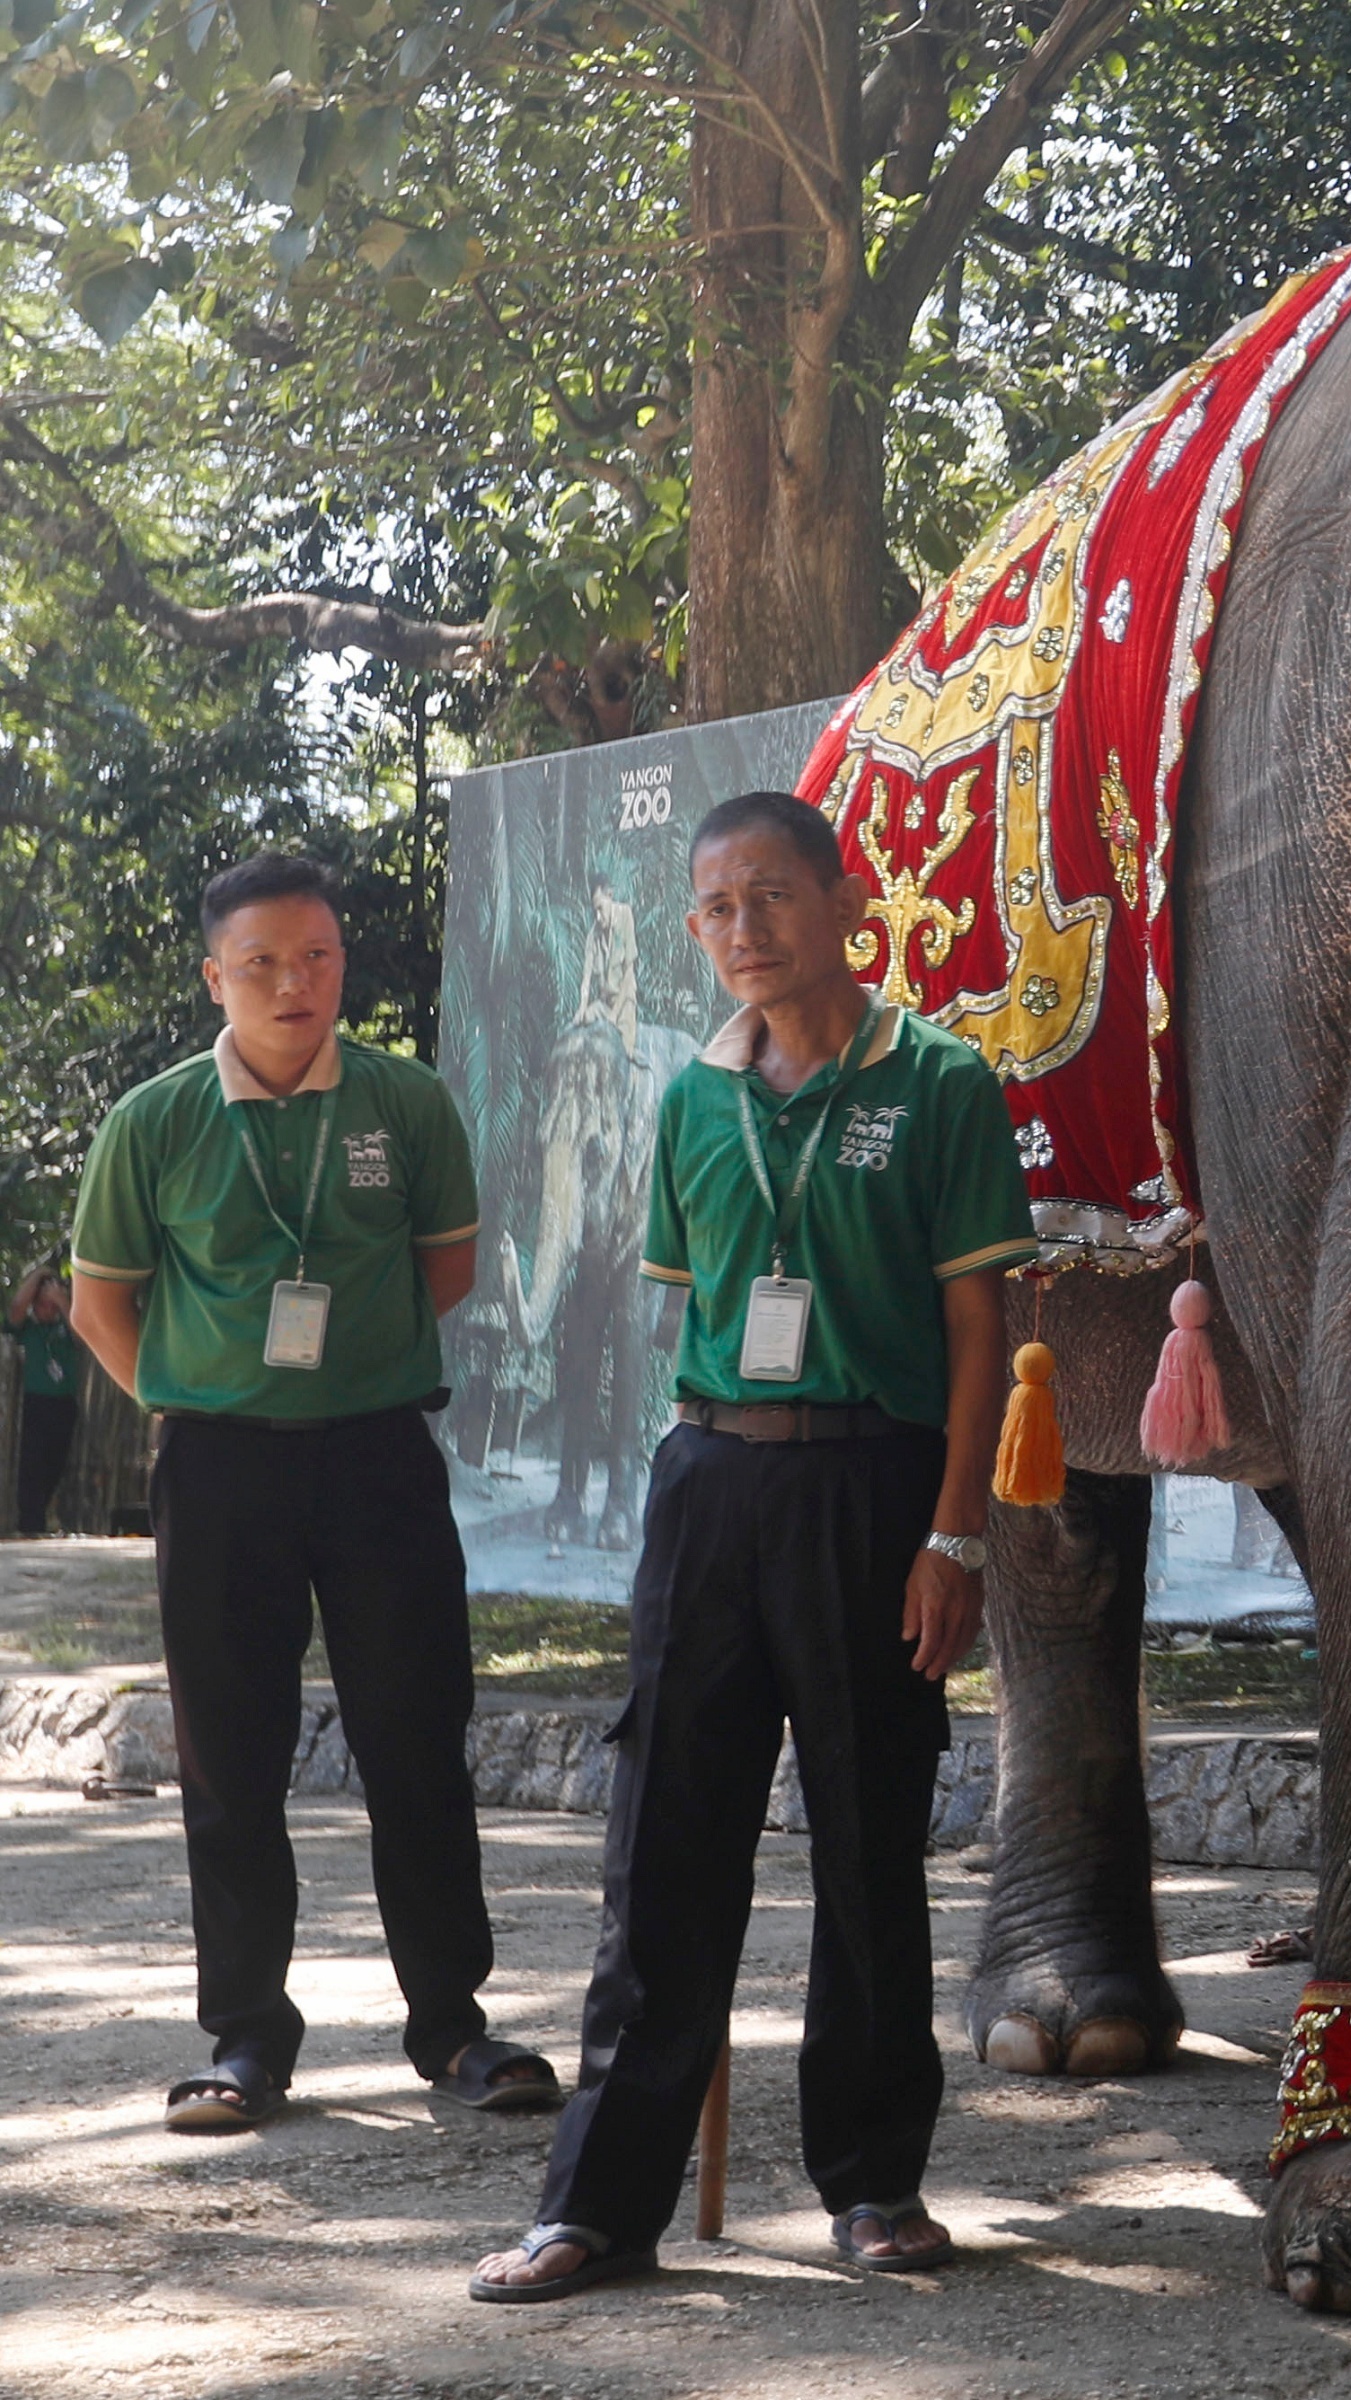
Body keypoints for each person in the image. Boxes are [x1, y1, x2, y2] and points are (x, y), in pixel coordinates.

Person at [471, 790, 1029, 2303]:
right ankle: (598, 2204)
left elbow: (981, 1329)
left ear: (844, 902)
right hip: (710, 1478)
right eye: (713, 908)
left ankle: (872, 2184)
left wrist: (953, 1536)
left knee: (864, 1840)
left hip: (873, 1486)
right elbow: (691, 1299)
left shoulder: (939, 1083)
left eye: (769, 896)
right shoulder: (691, 1101)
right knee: (663, 1839)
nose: (740, 931)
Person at [66, 852, 556, 2131]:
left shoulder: (404, 1103)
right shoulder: (156, 1121)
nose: (297, 984)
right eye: (266, 962)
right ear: (215, 975)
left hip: (379, 1454)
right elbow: (100, 1304)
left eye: (321, 956)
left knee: (417, 1739)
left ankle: (454, 2026)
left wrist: (343, 1374)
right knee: (232, 1759)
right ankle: (245, 2043)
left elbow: (442, 1270)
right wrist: (195, 1395)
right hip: (221, 1465)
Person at [12, 1266, 86, 1533]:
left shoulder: (65, 1328)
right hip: (36, 1402)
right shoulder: (29, 1329)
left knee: (55, 1465)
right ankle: (29, 1523)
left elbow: (82, 1335)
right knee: (32, 1465)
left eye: (51, 1305)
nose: (48, 1310)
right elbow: (17, 1307)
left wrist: (62, 1301)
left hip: (63, 1403)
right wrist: (40, 1273)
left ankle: (42, 1518)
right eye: (43, 1304)